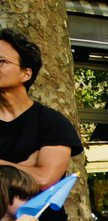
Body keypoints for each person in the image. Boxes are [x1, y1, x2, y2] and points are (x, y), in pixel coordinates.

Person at [0, 29, 81, 192]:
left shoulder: (52, 123)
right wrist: (25, 168)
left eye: (1, 61)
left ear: (26, 74)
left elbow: (44, 180)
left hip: (38, 218)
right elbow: (34, 177)